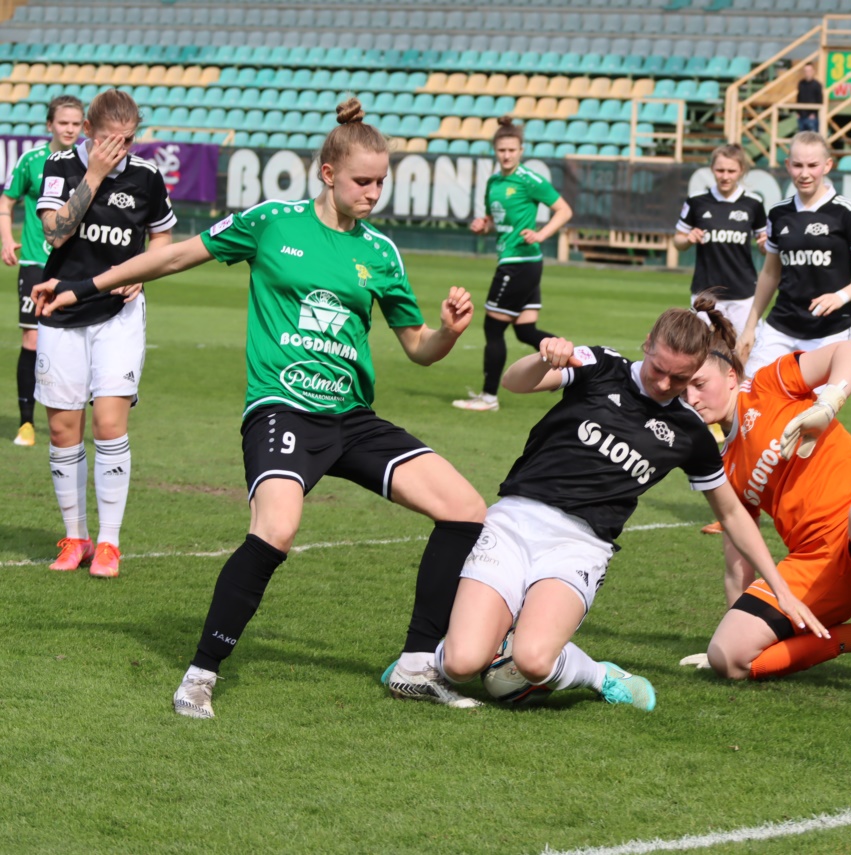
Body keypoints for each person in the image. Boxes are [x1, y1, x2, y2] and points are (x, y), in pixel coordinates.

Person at [36, 99, 490, 719]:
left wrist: (449, 333)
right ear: (327, 173)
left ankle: (415, 665)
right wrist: (82, 287)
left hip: (351, 416)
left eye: (381, 182)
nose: (373, 192)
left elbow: (418, 348)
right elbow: (174, 255)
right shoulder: (272, 221)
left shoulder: (382, 252)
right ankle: (200, 675)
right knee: (276, 529)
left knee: (466, 510)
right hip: (283, 409)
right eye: (362, 180)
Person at [413, 298, 826, 711]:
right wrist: (543, 359)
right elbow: (513, 383)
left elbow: (732, 513)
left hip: (579, 545)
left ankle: (600, 675)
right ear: (647, 344)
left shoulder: (690, 432)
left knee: (534, 661)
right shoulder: (600, 365)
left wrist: (780, 588)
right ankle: (464, 650)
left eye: (680, 378)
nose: (663, 384)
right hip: (514, 521)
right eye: (658, 369)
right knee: (461, 663)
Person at [683, 329, 851, 712]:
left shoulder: (768, 385)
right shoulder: (722, 465)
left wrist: (828, 403)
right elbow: (738, 558)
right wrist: (732, 628)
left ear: (730, 376)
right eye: (684, 390)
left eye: (700, 384)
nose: (692, 399)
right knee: (729, 659)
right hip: (818, 561)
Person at [33, 89, 173, 578]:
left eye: (128, 140)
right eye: (111, 139)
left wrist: (142, 270)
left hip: (118, 314)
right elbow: (55, 234)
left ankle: (109, 543)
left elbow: (162, 236)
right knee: (61, 429)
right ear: (89, 131)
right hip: (61, 308)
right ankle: (75, 538)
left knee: (109, 424)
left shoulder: (147, 176)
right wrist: (92, 175)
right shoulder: (60, 165)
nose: (120, 149)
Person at [736, 131, 851, 379]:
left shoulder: (846, 211)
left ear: (827, 165)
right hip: (781, 327)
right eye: (798, 165)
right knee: (751, 393)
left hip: (831, 330)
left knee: (818, 404)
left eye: (813, 165)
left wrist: (840, 297)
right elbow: (770, 273)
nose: (804, 173)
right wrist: (750, 328)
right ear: (787, 165)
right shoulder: (778, 213)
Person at [453, 116, 572, 412]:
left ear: (521, 150)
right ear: (495, 150)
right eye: (501, 150)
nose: (506, 155)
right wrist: (483, 225)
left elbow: (563, 210)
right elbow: (495, 222)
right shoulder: (493, 183)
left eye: (511, 150)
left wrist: (541, 234)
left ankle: (488, 398)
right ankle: (578, 363)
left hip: (519, 264)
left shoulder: (529, 179)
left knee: (493, 329)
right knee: (525, 331)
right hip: (520, 263)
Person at [3, 94, 83, 447]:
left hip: (75, 264)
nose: (69, 129)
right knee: (33, 339)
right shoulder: (32, 160)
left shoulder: (88, 162)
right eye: (63, 122)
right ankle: (26, 423)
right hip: (36, 261)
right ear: (50, 124)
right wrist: (7, 239)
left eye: (76, 123)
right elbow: (7, 199)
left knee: (77, 340)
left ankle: (71, 419)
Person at [672, 143, 767, 337]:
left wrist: (765, 245)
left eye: (731, 171)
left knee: (747, 346)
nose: (725, 176)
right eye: (720, 170)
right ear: (712, 169)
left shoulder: (753, 203)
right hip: (705, 292)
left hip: (743, 293)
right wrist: (688, 239)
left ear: (741, 170)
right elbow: (678, 241)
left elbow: (765, 244)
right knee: (702, 346)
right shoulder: (696, 201)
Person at [795, 62, 822, 134]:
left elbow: (819, 100)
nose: (807, 73)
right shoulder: (801, 83)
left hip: (812, 117)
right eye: (806, 71)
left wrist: (814, 114)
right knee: (802, 138)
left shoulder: (817, 85)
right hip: (801, 116)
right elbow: (798, 98)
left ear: (813, 71)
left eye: (809, 71)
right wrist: (798, 112)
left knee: (813, 138)